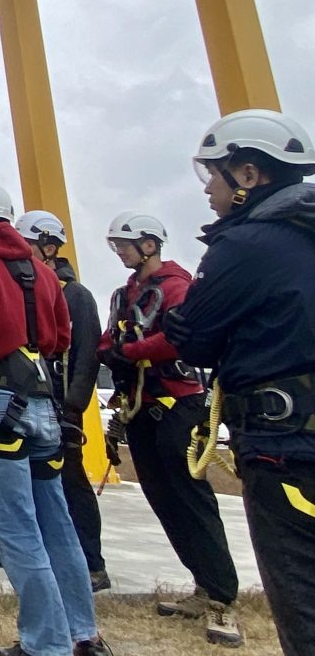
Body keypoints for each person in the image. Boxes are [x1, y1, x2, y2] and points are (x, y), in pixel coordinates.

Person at [0, 181, 110, 656]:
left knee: (15, 528)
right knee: (57, 523)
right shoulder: (43, 274)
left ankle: (44, 644)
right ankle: (82, 635)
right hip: (41, 406)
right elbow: (60, 340)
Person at [165, 108, 315, 655]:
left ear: (249, 175)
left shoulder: (246, 244)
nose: (208, 188)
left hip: (287, 447)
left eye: (216, 173)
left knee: (303, 601)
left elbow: (195, 337)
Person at [99, 210, 240, 645]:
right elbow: (110, 339)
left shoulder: (177, 288)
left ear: (150, 244)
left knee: (191, 498)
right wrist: (114, 353)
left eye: (125, 243)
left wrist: (135, 351)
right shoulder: (126, 294)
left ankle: (222, 599)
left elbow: (179, 338)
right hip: (140, 407)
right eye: (115, 244)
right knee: (163, 498)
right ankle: (202, 586)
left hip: (178, 406)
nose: (120, 250)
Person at [2, 211, 110, 592]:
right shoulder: (25, 287)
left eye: (26, 245)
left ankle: (92, 563)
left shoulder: (74, 295)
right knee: (25, 479)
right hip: (27, 401)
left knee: (70, 481)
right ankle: (35, 548)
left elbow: (86, 358)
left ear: (48, 247)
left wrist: (73, 410)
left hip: (60, 407)